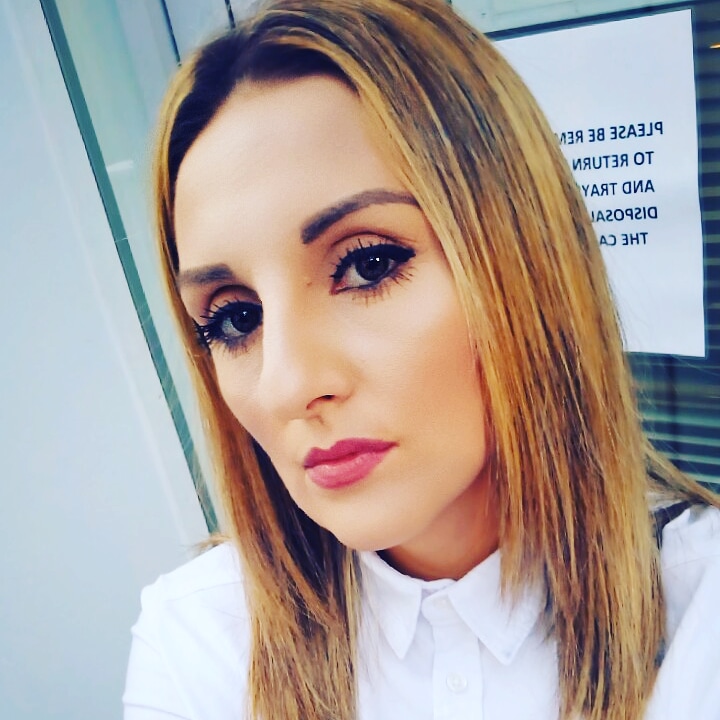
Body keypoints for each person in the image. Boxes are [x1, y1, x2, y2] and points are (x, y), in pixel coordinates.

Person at [123, 1, 720, 718]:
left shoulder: (702, 612)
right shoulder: (200, 639)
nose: (286, 385)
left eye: (368, 265)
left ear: (525, 262)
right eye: (236, 318)